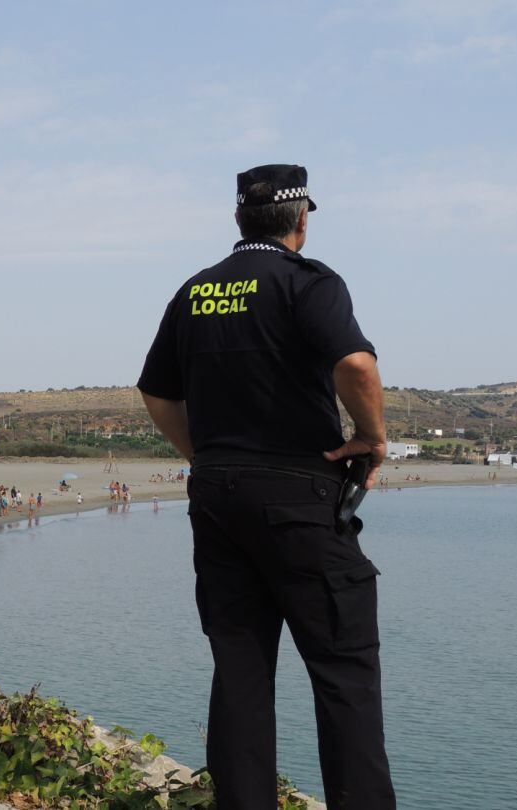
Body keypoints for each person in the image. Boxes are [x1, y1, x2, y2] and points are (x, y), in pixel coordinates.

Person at [137, 164, 394, 809]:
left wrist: (203, 456)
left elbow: (157, 393)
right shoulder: (310, 283)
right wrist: (372, 436)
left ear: (238, 219)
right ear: (301, 220)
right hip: (299, 498)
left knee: (242, 670)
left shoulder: (196, 290)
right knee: (343, 672)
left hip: (219, 501)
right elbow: (356, 363)